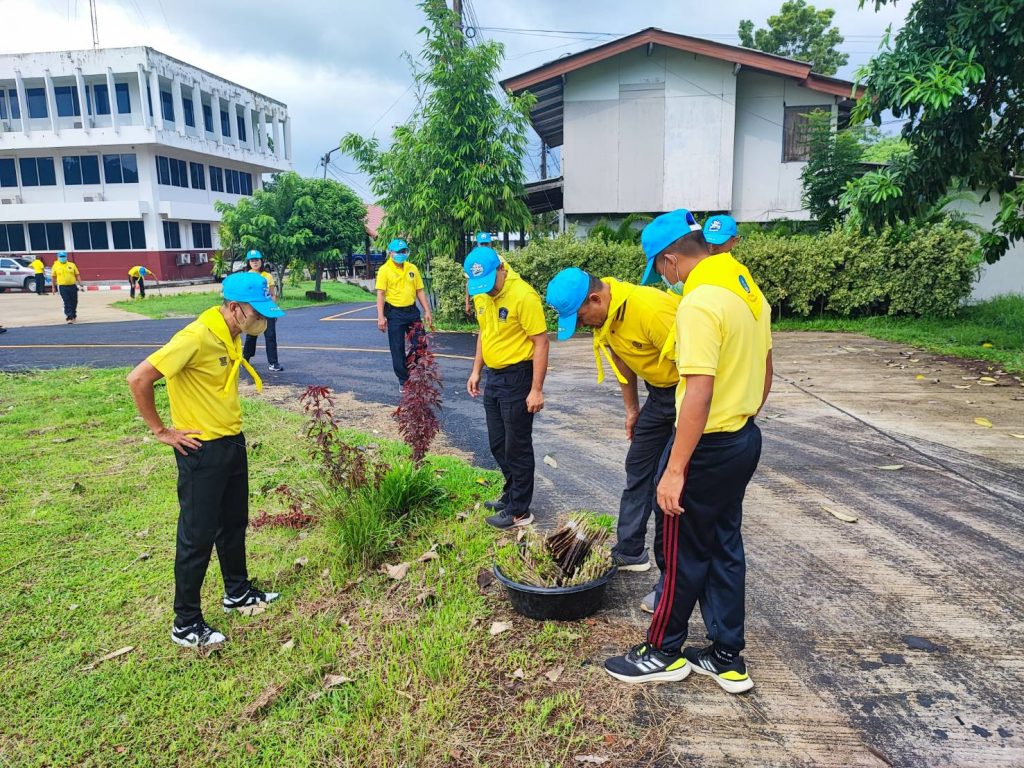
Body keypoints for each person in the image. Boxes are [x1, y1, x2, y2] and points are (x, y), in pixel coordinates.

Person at [604, 208, 772, 695]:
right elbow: (766, 365)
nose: (664, 277)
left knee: (679, 550)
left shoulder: (699, 303)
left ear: (671, 260)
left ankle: (663, 651)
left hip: (706, 447)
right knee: (724, 545)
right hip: (742, 437)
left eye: (661, 268)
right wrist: (743, 415)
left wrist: (676, 469)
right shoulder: (745, 286)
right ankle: (726, 657)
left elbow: (698, 388)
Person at [126, 272, 284, 649]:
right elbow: (139, 378)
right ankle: (185, 622)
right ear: (235, 308)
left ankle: (237, 592)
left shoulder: (230, 333)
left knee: (233, 523)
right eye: (257, 313)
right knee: (196, 537)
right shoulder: (196, 336)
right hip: (201, 450)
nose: (262, 320)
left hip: (231, 441)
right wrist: (162, 430)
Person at [545, 267, 680, 580]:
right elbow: (623, 363)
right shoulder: (605, 319)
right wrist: (632, 410)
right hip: (660, 395)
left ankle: (672, 577)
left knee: (670, 482)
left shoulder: (649, 309)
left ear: (595, 299)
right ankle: (630, 551)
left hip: (689, 393)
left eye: (580, 318)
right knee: (638, 466)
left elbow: (698, 369)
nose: (581, 325)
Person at [464, 245, 548, 529]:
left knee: (517, 446)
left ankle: (520, 511)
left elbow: (541, 342)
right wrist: (476, 370)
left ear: (501, 269)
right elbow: (484, 333)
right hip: (494, 376)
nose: (487, 291)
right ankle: (511, 494)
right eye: (481, 286)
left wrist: (536, 389)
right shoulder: (481, 292)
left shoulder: (523, 295)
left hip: (518, 376)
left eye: (490, 283)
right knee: (498, 443)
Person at [375, 238, 432, 391]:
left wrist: (427, 310)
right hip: (394, 313)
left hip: (412, 311)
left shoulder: (412, 268)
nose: (402, 254)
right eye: (399, 252)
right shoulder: (384, 270)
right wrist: (381, 317)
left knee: (421, 343)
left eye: (404, 251)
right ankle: (403, 380)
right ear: (390, 253)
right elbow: (381, 294)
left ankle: (409, 367)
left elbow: (420, 290)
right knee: (397, 348)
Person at [241, 250, 283, 372]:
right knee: (251, 335)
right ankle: (245, 360)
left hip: (267, 310)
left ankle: (273, 363)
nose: (255, 262)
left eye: (257, 260)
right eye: (252, 260)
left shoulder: (268, 276)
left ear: (261, 261)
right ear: (249, 262)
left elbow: (272, 294)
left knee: (270, 336)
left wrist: (272, 309)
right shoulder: (246, 277)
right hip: (253, 311)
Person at [51, 251, 83, 323]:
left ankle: (73, 315)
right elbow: (53, 277)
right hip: (62, 287)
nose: (62, 258)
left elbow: (77, 275)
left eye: (63, 256)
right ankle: (69, 317)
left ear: (66, 257)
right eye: (61, 257)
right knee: (67, 301)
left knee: (74, 301)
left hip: (72, 286)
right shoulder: (55, 266)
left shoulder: (72, 265)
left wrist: (81, 284)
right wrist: (53, 287)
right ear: (58, 257)